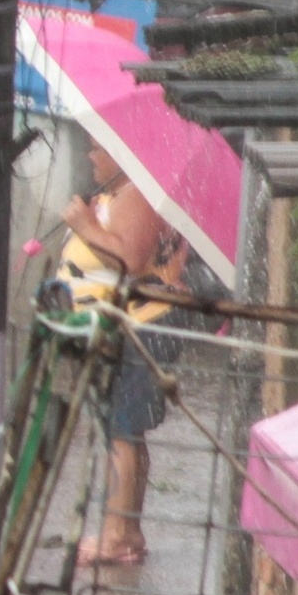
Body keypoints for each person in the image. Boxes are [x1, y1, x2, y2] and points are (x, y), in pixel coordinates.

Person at [55, 136, 187, 568]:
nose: (89, 155)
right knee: (124, 430)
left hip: (137, 328)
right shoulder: (121, 193)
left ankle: (115, 535)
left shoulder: (139, 193)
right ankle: (127, 529)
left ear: (124, 152)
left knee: (119, 430)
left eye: (96, 148)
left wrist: (85, 227)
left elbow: (130, 258)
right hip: (127, 327)